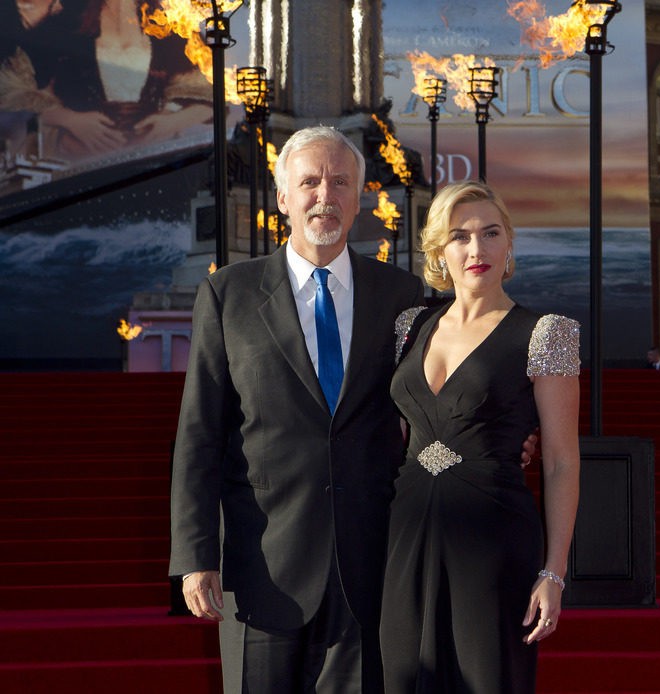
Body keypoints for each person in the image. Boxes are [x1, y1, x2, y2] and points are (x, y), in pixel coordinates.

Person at [169, 125, 426, 693]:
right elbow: (199, 435)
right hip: (262, 570)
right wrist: (194, 555)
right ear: (284, 197)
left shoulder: (402, 296)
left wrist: (507, 441)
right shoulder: (228, 294)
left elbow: (427, 410)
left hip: (371, 567)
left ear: (359, 198)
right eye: (309, 181)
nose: (324, 195)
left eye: (339, 182)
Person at [379, 181, 581, 693]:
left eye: (491, 233)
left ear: (509, 243)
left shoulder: (546, 332)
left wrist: (554, 572)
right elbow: (397, 429)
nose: (477, 249)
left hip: (494, 539)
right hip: (405, 535)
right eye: (460, 236)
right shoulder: (410, 326)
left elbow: (559, 460)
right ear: (439, 252)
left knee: (487, 677)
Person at [0, 0, 212, 161]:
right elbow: (13, 92)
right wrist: (70, 120)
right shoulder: (65, 23)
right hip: (79, 162)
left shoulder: (169, 25)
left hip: (156, 162)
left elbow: (212, 96)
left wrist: (173, 121)